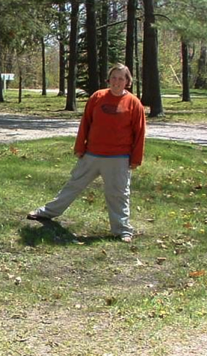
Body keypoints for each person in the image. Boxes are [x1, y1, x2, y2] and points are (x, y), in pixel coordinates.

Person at [27, 64, 146, 243]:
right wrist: (80, 147)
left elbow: (139, 133)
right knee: (73, 185)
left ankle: (122, 230)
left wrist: (136, 159)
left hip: (118, 158)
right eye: (114, 77)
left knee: (118, 194)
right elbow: (86, 123)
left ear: (127, 82)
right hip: (92, 155)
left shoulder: (134, 103)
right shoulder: (97, 97)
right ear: (109, 79)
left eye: (121, 78)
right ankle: (46, 213)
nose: (117, 82)